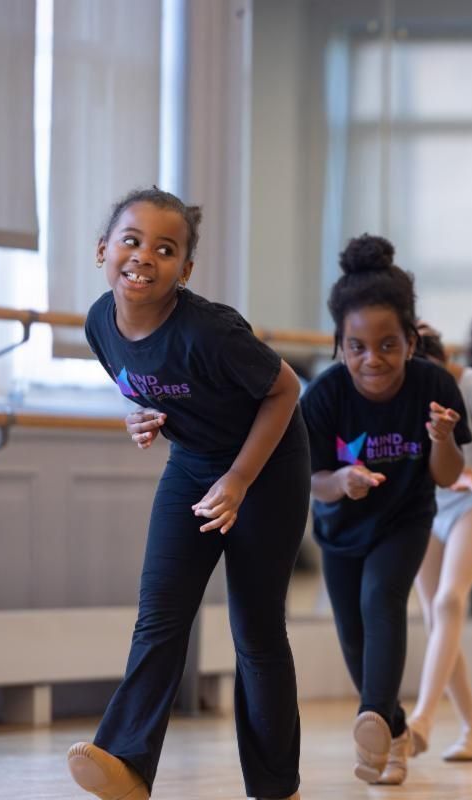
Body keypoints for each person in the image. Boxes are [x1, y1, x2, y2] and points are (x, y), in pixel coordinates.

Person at [69, 188, 307, 800]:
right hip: (194, 464)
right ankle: (125, 764)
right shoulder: (100, 322)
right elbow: (142, 385)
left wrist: (239, 480)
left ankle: (276, 787)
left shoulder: (211, 331)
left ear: (186, 270)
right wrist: (140, 416)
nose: (144, 255)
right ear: (103, 250)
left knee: (255, 632)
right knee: (161, 616)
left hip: (267, 467)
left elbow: (285, 391)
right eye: (131, 240)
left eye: (165, 248)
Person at [298, 234, 469, 787]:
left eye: (388, 345)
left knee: (382, 597)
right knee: (352, 634)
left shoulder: (434, 386)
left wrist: (442, 437)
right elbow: (312, 482)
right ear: (339, 345)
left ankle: (371, 723)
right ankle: (391, 732)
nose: (374, 360)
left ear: (411, 341)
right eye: (358, 347)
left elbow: (447, 476)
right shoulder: (323, 398)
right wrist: (342, 481)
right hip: (340, 528)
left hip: (405, 518)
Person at [405, 326, 472, 761]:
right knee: (436, 618)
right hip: (426, 506)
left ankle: (422, 719)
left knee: (449, 603)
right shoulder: (399, 386)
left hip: (470, 504)